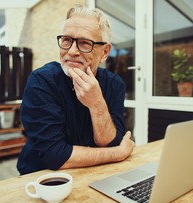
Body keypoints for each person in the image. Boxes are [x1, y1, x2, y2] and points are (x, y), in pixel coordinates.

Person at [17, 5, 135, 175]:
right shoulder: (42, 82)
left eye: (84, 43)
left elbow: (110, 142)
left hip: (95, 173)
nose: (72, 51)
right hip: (43, 178)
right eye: (66, 40)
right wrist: (118, 153)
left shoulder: (114, 84)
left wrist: (97, 104)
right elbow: (55, 155)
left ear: (104, 52)